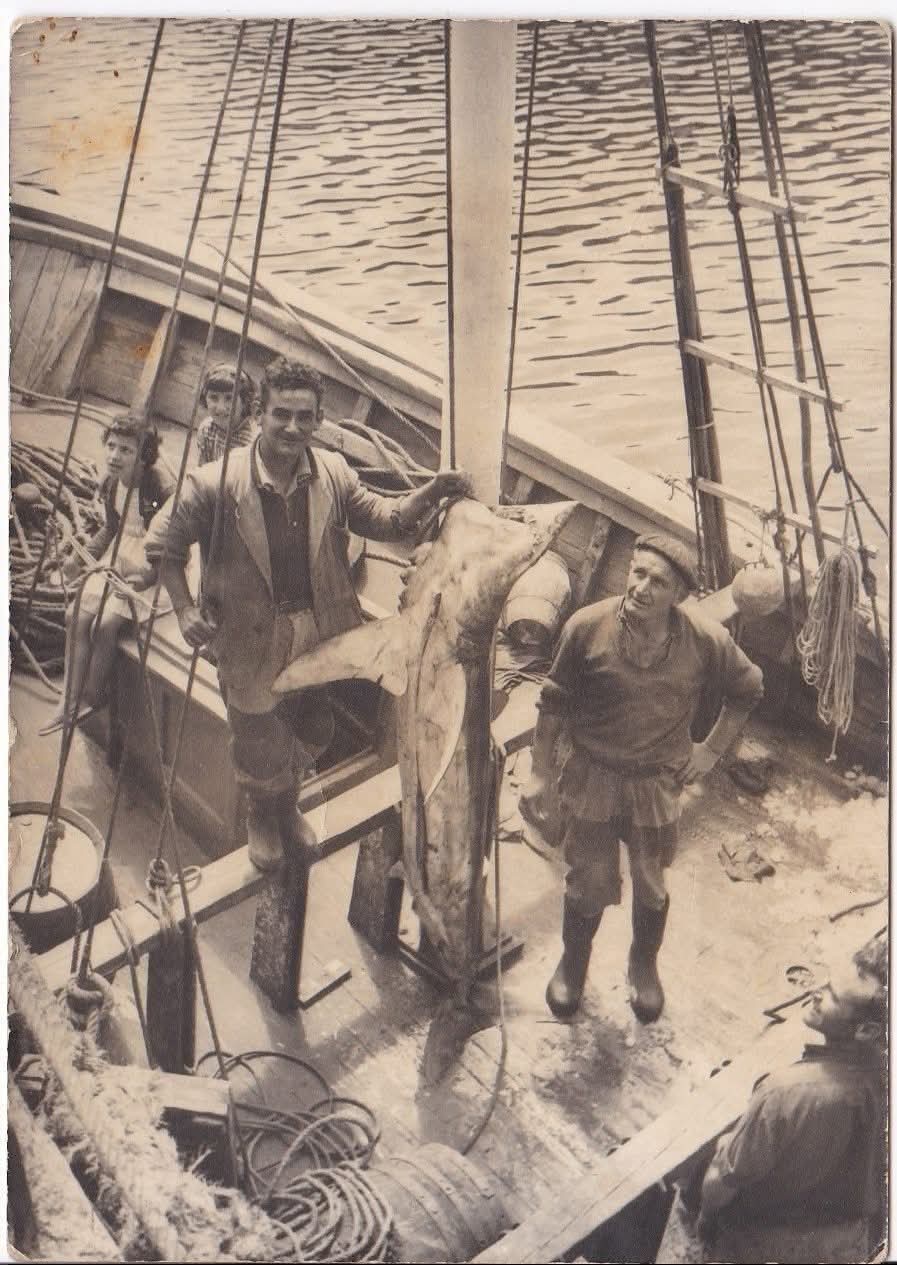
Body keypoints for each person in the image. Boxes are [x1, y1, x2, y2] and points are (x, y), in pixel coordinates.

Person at [146, 355, 470, 870]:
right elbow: (163, 547)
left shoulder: (333, 472)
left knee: (312, 723)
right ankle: (262, 813)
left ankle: (287, 802)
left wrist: (432, 490)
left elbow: (385, 519)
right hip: (247, 636)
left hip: (319, 630)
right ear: (261, 414)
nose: (293, 427)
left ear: (319, 419)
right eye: (281, 414)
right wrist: (183, 609)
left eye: (304, 416)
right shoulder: (212, 483)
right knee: (256, 734)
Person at [520, 533, 764, 1022]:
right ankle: (573, 963)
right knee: (588, 880)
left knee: (651, 883)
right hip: (593, 776)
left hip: (655, 783)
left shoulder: (705, 640)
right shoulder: (586, 627)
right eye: (639, 573)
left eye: (659, 582)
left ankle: (643, 964)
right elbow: (553, 702)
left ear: (679, 595)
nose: (641, 588)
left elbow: (748, 688)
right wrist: (540, 775)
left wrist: (711, 750)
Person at [693, 936, 887, 1263]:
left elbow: (721, 1182)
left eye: (831, 995)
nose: (815, 991)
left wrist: (705, 1219)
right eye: (826, 981)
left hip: (767, 1237)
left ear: (866, 1031)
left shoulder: (782, 1093)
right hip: (846, 1235)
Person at [39, 415, 174, 737]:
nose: (114, 455)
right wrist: (77, 560)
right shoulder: (112, 484)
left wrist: (147, 578)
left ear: (144, 455)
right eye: (111, 446)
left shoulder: (158, 488)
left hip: (153, 565)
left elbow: (172, 545)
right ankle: (68, 700)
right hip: (120, 555)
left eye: (125, 450)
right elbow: (111, 529)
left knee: (105, 624)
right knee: (74, 615)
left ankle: (92, 696)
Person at [195, 361, 257, 466]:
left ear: (245, 401)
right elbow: (202, 468)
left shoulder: (252, 441)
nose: (221, 408)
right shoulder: (206, 429)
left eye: (229, 398)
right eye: (213, 397)